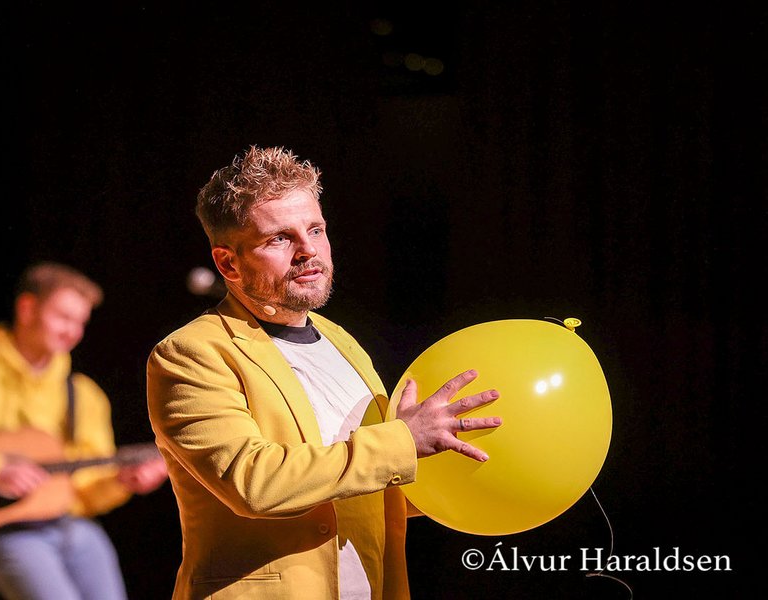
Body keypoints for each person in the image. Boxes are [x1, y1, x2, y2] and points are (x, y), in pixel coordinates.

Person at [146, 146, 503, 599]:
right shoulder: (190, 353)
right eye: (280, 239)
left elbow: (364, 483)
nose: (309, 250)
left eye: (315, 229)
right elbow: (255, 483)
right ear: (228, 263)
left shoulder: (341, 341)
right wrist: (403, 441)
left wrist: (469, 478)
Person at [0, 261, 169, 600]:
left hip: (69, 527)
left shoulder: (85, 395)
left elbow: (81, 495)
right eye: (63, 317)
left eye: (80, 322)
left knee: (90, 543)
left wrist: (120, 482)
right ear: (27, 309)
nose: (72, 332)